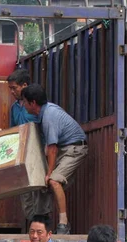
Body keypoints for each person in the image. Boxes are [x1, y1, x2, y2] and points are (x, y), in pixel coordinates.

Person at [21, 84, 88, 234]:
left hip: (74, 149)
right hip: (64, 149)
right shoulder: (45, 113)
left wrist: (49, 173)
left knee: (53, 181)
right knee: (42, 182)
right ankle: (41, 222)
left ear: (32, 103)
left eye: (24, 101)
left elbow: (52, 149)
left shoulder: (48, 117)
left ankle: (64, 224)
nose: (23, 105)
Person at [6, 69, 44, 223]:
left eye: (14, 88)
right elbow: (13, 132)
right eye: (10, 89)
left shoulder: (36, 104)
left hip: (38, 153)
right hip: (22, 155)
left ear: (25, 85)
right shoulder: (14, 108)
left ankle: (42, 223)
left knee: (39, 189)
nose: (12, 92)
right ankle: (32, 224)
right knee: (25, 191)